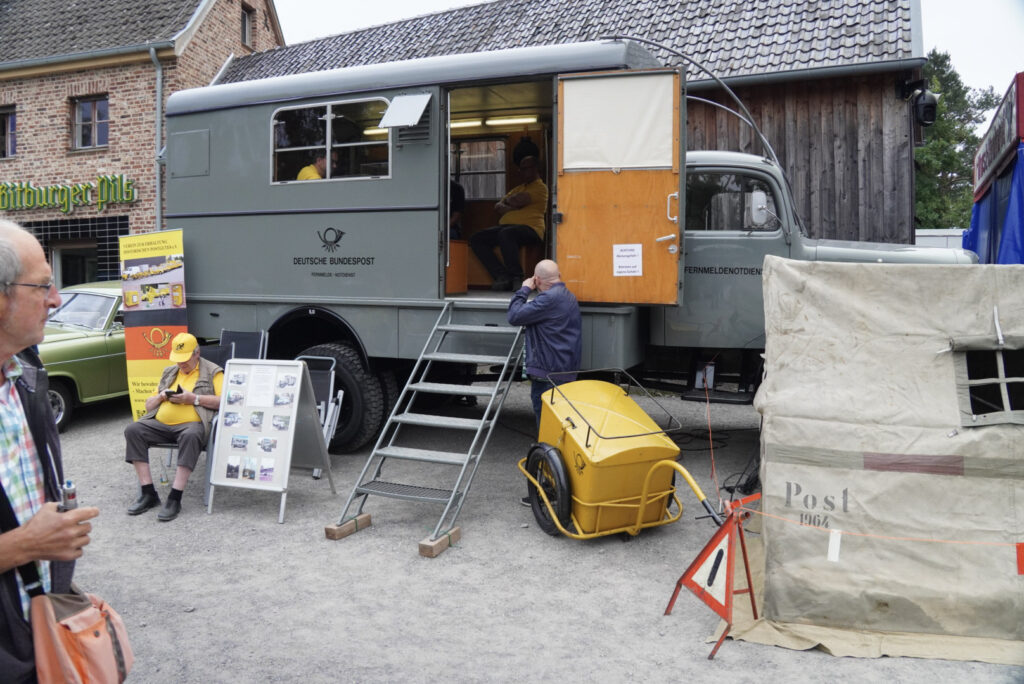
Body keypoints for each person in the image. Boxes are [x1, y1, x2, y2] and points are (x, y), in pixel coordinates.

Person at [0, 220, 99, 681]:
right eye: (43, 286)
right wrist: (22, 545)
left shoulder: (24, 376)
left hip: (35, 627)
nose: (56, 301)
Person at [124, 332, 223, 522]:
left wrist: (193, 399)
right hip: (161, 424)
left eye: (185, 359)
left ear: (197, 353)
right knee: (133, 430)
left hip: (191, 425)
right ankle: (148, 493)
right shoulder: (170, 372)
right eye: (178, 359)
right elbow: (148, 406)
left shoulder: (213, 372)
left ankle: (175, 497)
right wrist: (162, 396)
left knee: (192, 434)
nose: (181, 364)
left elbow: (224, 401)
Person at [507, 259, 582, 425]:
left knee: (547, 424)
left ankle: (546, 450)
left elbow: (514, 316)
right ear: (560, 276)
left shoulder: (547, 300)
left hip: (548, 373)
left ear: (537, 280)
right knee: (561, 421)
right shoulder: (568, 296)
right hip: (564, 368)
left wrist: (524, 289)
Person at [470, 156, 548, 291]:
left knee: (507, 234)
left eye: (525, 169)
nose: (521, 172)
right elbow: (498, 206)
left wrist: (510, 203)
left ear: (535, 169)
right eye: (520, 169)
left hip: (531, 229)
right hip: (506, 228)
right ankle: (502, 275)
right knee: (477, 238)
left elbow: (520, 199)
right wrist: (512, 203)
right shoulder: (519, 188)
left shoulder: (540, 187)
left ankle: (517, 277)